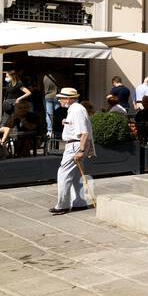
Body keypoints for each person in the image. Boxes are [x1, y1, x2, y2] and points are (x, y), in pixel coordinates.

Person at [51, 87, 93, 215]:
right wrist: (66, 123)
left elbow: (84, 133)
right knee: (76, 175)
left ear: (68, 99)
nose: (59, 101)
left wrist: (81, 150)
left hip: (75, 146)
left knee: (63, 173)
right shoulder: (74, 110)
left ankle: (62, 205)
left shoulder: (76, 110)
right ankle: (79, 202)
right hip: (75, 145)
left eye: (61, 98)